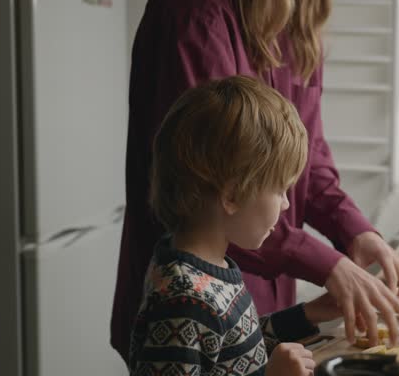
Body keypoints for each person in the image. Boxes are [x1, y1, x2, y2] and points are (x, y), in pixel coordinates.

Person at [111, 0, 399, 359]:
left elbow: (306, 158)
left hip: (259, 310)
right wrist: (328, 264)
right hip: (192, 315)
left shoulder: (295, 24)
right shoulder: (194, 13)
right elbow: (215, 189)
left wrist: (356, 233)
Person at [130, 76, 338, 375]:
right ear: (232, 196)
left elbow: (235, 348)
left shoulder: (208, 269)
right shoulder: (184, 299)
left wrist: (308, 315)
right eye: (280, 190)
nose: (286, 204)